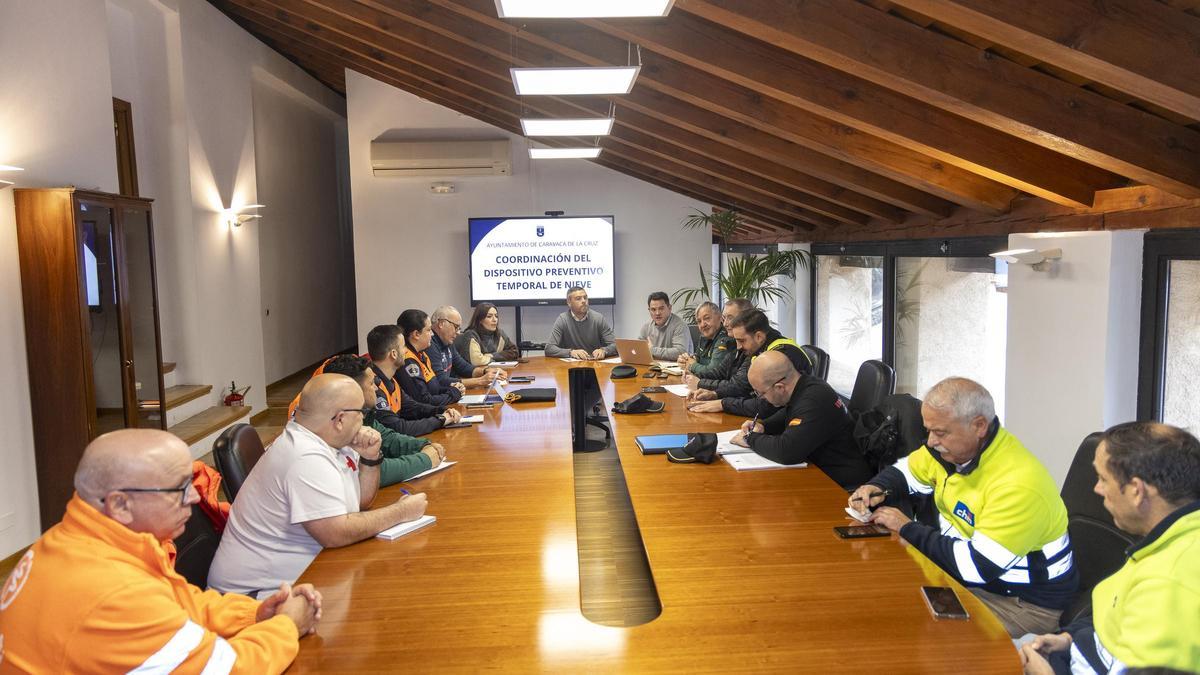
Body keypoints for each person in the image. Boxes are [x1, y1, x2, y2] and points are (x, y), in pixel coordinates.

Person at [0, 429, 321, 672]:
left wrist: (255, 613)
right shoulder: (112, 591)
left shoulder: (84, 539)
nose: (196, 498)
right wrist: (287, 626)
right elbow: (226, 669)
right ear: (120, 504)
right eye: (180, 489)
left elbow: (179, 600)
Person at [849, 377, 1078, 638]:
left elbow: (976, 567)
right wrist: (875, 487)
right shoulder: (951, 451)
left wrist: (906, 527)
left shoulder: (1017, 484)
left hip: (1020, 604)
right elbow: (906, 473)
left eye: (940, 432)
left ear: (979, 426)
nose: (931, 441)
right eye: (929, 430)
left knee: (912, 630)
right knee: (885, 597)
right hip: (971, 581)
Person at [209, 374, 429, 597]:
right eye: (362, 413)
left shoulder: (331, 440)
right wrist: (401, 512)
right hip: (255, 599)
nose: (364, 421)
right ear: (340, 419)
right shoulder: (305, 456)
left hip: (305, 574)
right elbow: (335, 533)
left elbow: (360, 502)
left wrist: (370, 458)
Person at [1020, 422, 1200, 674]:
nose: (1096, 489)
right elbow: (1117, 613)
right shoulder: (1171, 535)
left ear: (1137, 491)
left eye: (1104, 478)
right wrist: (1071, 639)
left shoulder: (1169, 582)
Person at [730, 350, 871, 489]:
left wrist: (750, 438)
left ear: (780, 387)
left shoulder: (814, 400)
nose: (760, 398)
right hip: (818, 470)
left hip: (840, 485)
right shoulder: (803, 386)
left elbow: (786, 451)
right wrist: (763, 426)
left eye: (760, 393)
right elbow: (789, 413)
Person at [322, 354, 446, 487]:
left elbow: (388, 439)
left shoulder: (361, 413)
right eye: (371, 383)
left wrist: (422, 445)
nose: (376, 388)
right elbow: (374, 472)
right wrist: (425, 459)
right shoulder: (335, 423)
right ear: (353, 390)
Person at [686, 308, 805, 416]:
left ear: (758, 336)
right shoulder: (759, 347)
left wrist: (723, 403)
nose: (738, 347)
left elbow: (767, 406)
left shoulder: (779, 356)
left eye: (742, 341)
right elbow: (743, 386)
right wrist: (715, 394)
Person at [366, 324, 461, 437]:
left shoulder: (390, 380)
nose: (406, 350)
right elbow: (398, 428)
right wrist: (440, 419)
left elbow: (414, 407)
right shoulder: (373, 386)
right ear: (394, 354)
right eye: (403, 346)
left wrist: (443, 410)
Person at [397, 309, 465, 407]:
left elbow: (434, 388)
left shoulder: (422, 355)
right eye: (429, 330)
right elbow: (424, 401)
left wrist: (453, 388)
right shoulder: (408, 361)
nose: (432, 334)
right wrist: (453, 394)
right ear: (416, 334)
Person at [428, 305, 506, 388]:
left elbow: (463, 367)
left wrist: (485, 371)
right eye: (456, 327)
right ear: (441, 324)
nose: (458, 332)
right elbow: (441, 381)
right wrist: (481, 381)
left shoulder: (447, 342)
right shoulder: (430, 344)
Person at [544, 286, 617, 360]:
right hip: (571, 366)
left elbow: (616, 345)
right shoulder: (563, 319)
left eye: (585, 298)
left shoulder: (598, 318)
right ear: (569, 303)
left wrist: (604, 351)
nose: (584, 301)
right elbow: (549, 349)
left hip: (595, 363)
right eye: (578, 299)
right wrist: (570, 352)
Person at [678, 301, 737, 379]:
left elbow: (713, 371)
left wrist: (692, 365)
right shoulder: (704, 336)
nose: (703, 325)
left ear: (720, 318)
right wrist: (686, 360)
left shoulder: (725, 338)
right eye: (699, 321)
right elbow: (697, 358)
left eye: (707, 318)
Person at [455, 302, 519, 367]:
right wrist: (500, 357)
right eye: (489, 316)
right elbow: (477, 361)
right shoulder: (470, 335)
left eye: (496, 316)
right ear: (480, 320)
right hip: (474, 375)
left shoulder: (500, 334)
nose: (495, 320)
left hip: (494, 372)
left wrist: (492, 356)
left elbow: (514, 352)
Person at [638, 291, 690, 361]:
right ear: (649, 310)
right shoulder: (646, 327)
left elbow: (680, 352)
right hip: (654, 366)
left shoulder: (680, 325)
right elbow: (638, 348)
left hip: (677, 368)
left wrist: (652, 350)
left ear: (669, 308)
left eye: (661, 308)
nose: (657, 313)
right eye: (653, 309)